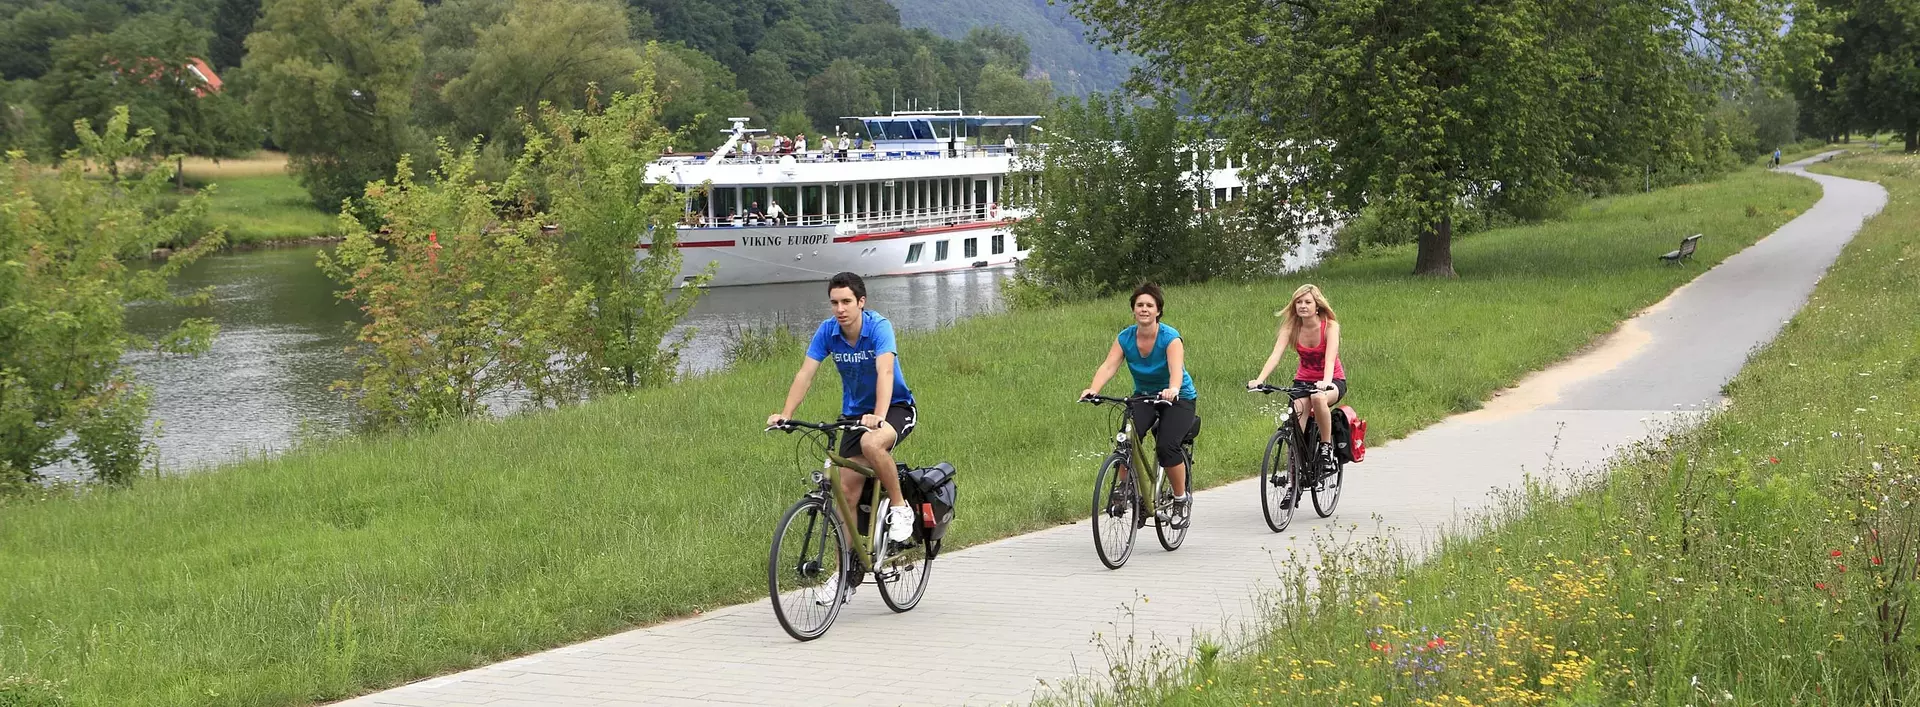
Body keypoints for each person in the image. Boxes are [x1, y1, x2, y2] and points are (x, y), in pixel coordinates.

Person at [769, 272, 919, 601]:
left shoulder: (878, 327)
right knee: (846, 495)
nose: (840, 309)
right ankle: (843, 576)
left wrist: (879, 416)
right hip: (853, 414)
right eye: (834, 303)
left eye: (846, 302)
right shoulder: (828, 332)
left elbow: (885, 372)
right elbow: (805, 373)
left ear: (861, 302)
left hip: (894, 406)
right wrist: (787, 414)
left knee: (871, 443)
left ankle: (899, 506)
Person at [1079, 282, 1198, 529]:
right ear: (1133, 310)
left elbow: (1176, 370)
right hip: (1143, 395)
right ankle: (1126, 490)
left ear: (1158, 311)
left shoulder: (1170, 338)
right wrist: (1094, 389)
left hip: (1178, 397)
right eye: (1140, 305)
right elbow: (1109, 365)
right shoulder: (1125, 338)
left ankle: (1180, 499)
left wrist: (1173, 390)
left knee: (1167, 446)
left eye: (1149, 305)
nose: (1144, 309)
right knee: (1126, 440)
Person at [1248, 283, 1346, 483]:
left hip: (1331, 379)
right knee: (1296, 416)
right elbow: (1275, 356)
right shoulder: (1291, 327)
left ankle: (1326, 447)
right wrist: (1259, 380)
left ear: (1316, 305)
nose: (1303, 306)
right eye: (1298, 302)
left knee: (1318, 399)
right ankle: (1295, 474)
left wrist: (1326, 382)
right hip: (1303, 380)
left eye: (1307, 302)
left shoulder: (1330, 326)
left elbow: (1329, 359)